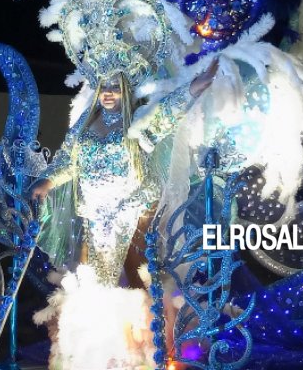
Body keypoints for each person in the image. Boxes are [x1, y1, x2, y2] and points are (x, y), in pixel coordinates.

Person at [30, 61, 217, 288]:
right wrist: (49, 181)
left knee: (133, 271)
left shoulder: (137, 120)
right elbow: (69, 162)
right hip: (93, 212)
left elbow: (165, 113)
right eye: (104, 87)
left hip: (130, 209)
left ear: (126, 89)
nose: (108, 93)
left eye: (115, 87)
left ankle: (145, 319)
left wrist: (194, 87)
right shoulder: (85, 123)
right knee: (90, 273)